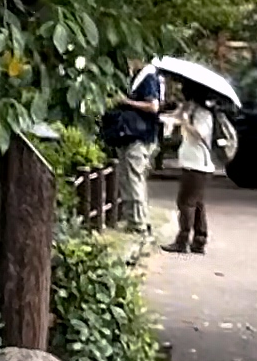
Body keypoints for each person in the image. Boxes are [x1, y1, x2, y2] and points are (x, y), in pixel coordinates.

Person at [159, 82, 238, 256]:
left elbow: (199, 134)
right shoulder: (194, 110)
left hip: (198, 165)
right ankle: (199, 240)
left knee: (186, 202)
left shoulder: (203, 114)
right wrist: (179, 114)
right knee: (197, 204)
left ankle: (183, 240)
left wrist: (185, 122)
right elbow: (173, 118)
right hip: (193, 163)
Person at [102, 63, 168, 236]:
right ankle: (135, 218)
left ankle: (138, 222)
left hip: (139, 134)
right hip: (134, 135)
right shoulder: (144, 76)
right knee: (129, 177)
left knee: (134, 178)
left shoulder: (148, 77)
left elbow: (153, 106)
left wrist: (127, 102)